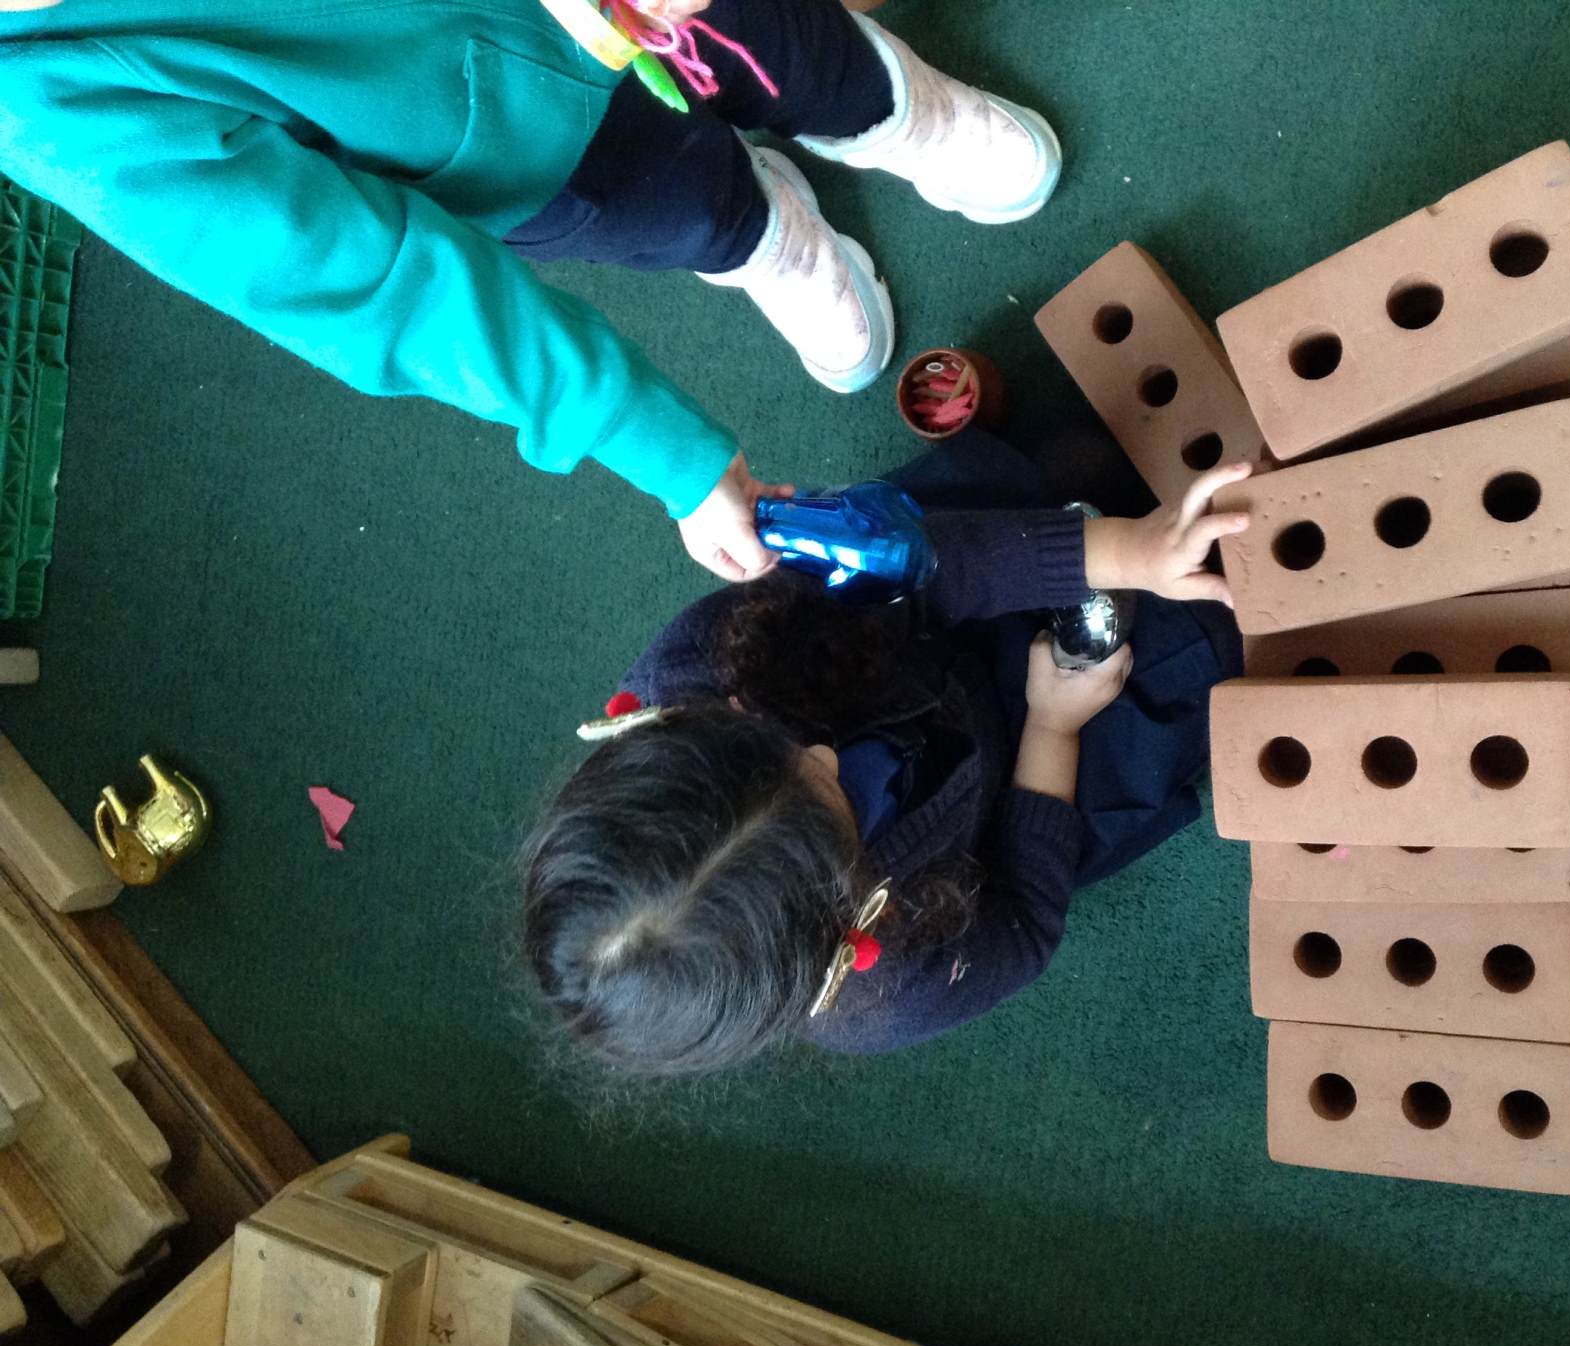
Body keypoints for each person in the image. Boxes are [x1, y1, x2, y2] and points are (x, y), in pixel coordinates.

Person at [0, 0, 1059, 581]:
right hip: (514, 148)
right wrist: (650, 442)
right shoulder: (46, 106)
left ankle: (901, 113)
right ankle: (765, 227)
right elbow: (381, 285)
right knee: (682, 209)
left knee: (795, 53)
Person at [519, 433, 1251, 1075]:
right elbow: (1025, 923)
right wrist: (1053, 727)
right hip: (1025, 783)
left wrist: (1121, 553)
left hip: (913, 616)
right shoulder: (884, 992)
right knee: (1219, 636)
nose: (832, 757)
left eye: (785, 744)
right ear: (848, 925)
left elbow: (912, 573)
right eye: (836, 798)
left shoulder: (694, 671)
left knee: (1088, 458)